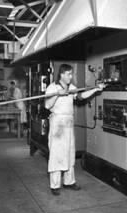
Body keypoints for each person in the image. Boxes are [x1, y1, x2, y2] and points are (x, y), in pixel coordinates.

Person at [44, 64, 105, 196]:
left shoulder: (71, 88)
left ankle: (69, 182)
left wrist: (96, 89)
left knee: (69, 152)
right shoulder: (52, 87)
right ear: (61, 74)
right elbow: (47, 105)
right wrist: (57, 95)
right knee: (57, 153)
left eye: (71, 74)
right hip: (58, 124)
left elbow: (81, 96)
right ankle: (55, 185)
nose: (71, 76)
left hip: (68, 123)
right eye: (69, 74)